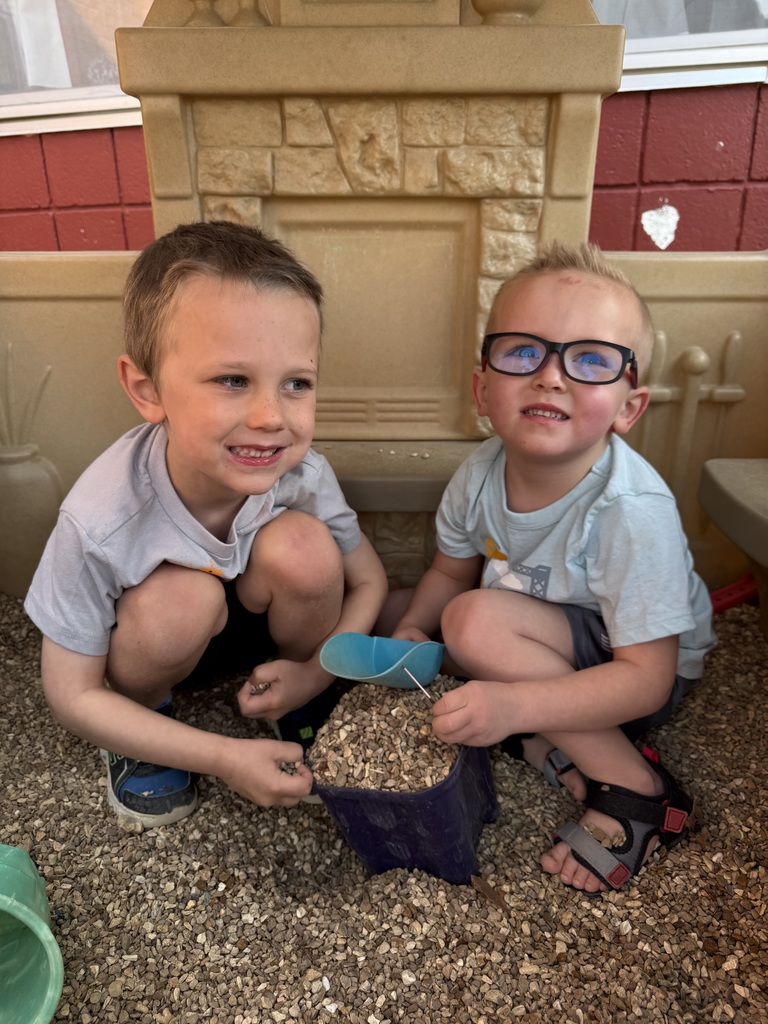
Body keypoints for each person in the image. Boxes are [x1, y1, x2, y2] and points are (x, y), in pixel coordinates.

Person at [24, 220, 388, 828]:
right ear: (147, 390)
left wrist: (313, 671)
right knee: (181, 600)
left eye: (296, 382)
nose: (271, 416)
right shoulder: (100, 519)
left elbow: (368, 582)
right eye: (232, 380)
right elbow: (72, 693)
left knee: (306, 545)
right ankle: (147, 722)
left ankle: (293, 698)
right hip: (159, 641)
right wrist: (222, 756)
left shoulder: (302, 475)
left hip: (264, 635)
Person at [391, 242, 715, 893]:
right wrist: (412, 632)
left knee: (474, 624)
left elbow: (646, 681)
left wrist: (513, 705)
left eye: (591, 359)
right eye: (522, 351)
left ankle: (640, 790)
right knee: (412, 613)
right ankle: (549, 736)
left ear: (629, 406)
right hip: (549, 633)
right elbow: (449, 573)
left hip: (639, 667)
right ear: (483, 388)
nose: (551, 375)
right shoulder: (478, 474)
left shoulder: (629, 511)